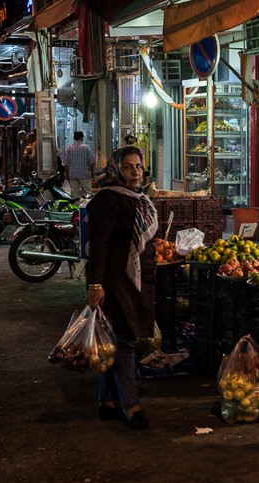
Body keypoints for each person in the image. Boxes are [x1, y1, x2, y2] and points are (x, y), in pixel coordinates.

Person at [86, 145, 158, 430]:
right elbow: (99, 245)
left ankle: (108, 402)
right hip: (113, 281)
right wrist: (95, 284)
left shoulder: (139, 198)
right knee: (124, 342)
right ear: (116, 169)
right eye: (128, 166)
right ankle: (132, 404)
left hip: (133, 281)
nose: (135, 172)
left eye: (139, 166)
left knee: (113, 342)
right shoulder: (108, 200)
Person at [64, 131, 97, 197]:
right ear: (82, 138)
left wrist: (66, 173)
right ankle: (87, 206)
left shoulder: (69, 148)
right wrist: (92, 172)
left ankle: (75, 206)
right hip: (84, 174)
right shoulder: (86, 148)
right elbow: (92, 161)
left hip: (72, 175)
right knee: (88, 193)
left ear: (74, 138)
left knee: (74, 195)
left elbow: (66, 163)